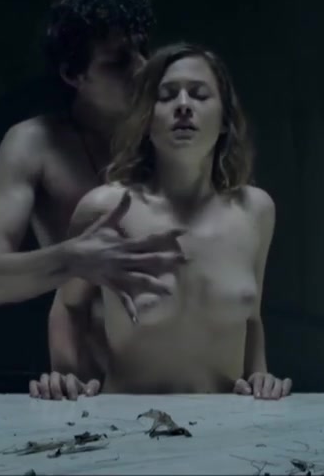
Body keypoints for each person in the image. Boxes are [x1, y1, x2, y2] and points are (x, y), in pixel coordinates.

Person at [0, 0, 188, 391]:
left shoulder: (175, 136)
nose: (143, 68)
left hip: (182, 372)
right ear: (73, 74)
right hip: (86, 381)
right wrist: (77, 258)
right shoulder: (33, 143)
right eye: (118, 60)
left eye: (143, 51)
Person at [36, 43, 292, 400]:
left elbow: (251, 318)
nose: (183, 105)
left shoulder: (256, 211)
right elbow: (68, 305)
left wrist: (261, 381)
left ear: (224, 120)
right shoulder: (106, 209)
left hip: (229, 423)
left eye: (199, 95)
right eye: (167, 96)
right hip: (127, 421)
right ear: (146, 119)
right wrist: (67, 379)